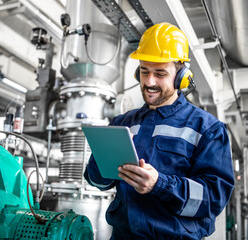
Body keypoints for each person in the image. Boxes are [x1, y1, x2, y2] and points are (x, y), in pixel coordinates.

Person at [84, 22, 235, 240]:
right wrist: (102, 161)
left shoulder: (208, 129)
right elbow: (97, 181)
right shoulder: (122, 122)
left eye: (160, 73)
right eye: (144, 71)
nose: (149, 81)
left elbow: (213, 199)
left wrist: (160, 184)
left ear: (181, 76)